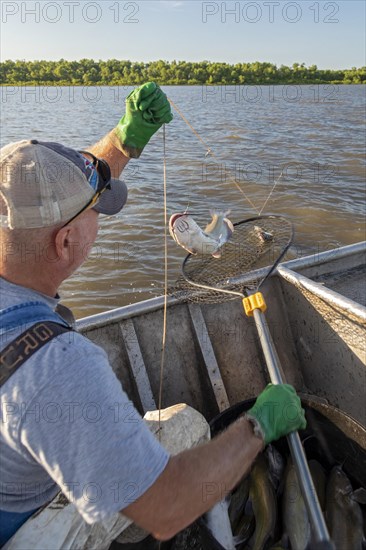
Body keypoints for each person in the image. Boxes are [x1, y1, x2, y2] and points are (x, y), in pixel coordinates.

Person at [0, 82, 306, 549]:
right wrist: (260, 425)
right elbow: (166, 507)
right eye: (97, 210)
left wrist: (126, 138)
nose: (104, 211)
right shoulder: (57, 366)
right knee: (187, 426)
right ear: (64, 243)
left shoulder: (14, 238)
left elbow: (45, 191)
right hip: (23, 530)